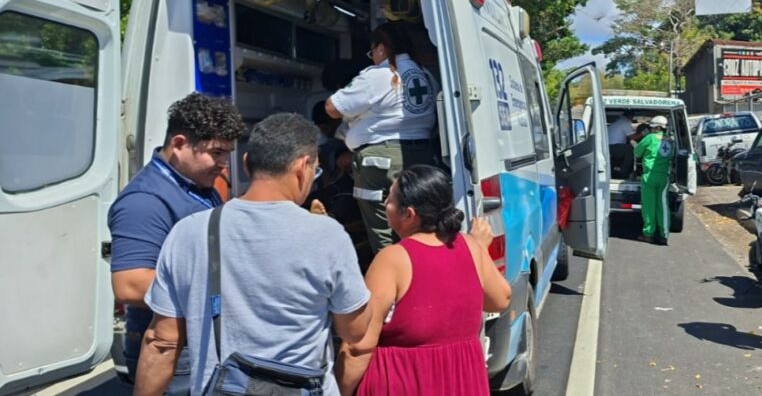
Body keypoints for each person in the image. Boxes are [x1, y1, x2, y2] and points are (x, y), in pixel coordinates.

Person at [134, 113, 373, 395]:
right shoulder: (327, 235)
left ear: (247, 163)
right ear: (302, 166)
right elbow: (354, 331)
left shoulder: (189, 232)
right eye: (315, 171)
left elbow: (162, 342)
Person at [108, 93, 245, 393]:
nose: (223, 164)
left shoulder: (197, 185)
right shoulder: (144, 201)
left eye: (228, 154)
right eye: (217, 153)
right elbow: (129, 284)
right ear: (180, 144)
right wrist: (231, 287)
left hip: (195, 341)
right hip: (170, 351)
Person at [342, 165, 511, 395]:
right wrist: (480, 251)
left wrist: (338, 389)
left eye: (389, 198)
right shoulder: (470, 246)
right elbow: (500, 299)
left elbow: (358, 346)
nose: (384, 204)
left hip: (405, 380)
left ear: (409, 214)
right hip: (461, 381)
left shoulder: (392, 259)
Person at [325, 23, 439, 254]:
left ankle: (392, 279)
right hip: (422, 157)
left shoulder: (380, 75)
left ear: (382, 48)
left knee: (382, 233)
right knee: (420, 225)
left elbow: (332, 108)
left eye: (372, 52)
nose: (373, 57)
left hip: (379, 164)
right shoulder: (426, 76)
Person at [634, 115, 674, 245]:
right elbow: (672, 156)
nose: (651, 130)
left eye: (652, 127)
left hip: (649, 177)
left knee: (649, 206)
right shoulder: (670, 140)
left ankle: (648, 234)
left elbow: (637, 153)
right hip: (663, 177)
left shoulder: (649, 138)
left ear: (656, 127)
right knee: (662, 206)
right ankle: (664, 235)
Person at [608, 111, 635, 179]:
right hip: (613, 147)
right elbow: (632, 137)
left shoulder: (618, 122)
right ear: (630, 116)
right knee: (630, 149)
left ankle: (621, 170)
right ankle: (624, 171)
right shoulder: (625, 122)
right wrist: (643, 134)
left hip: (609, 147)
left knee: (627, 148)